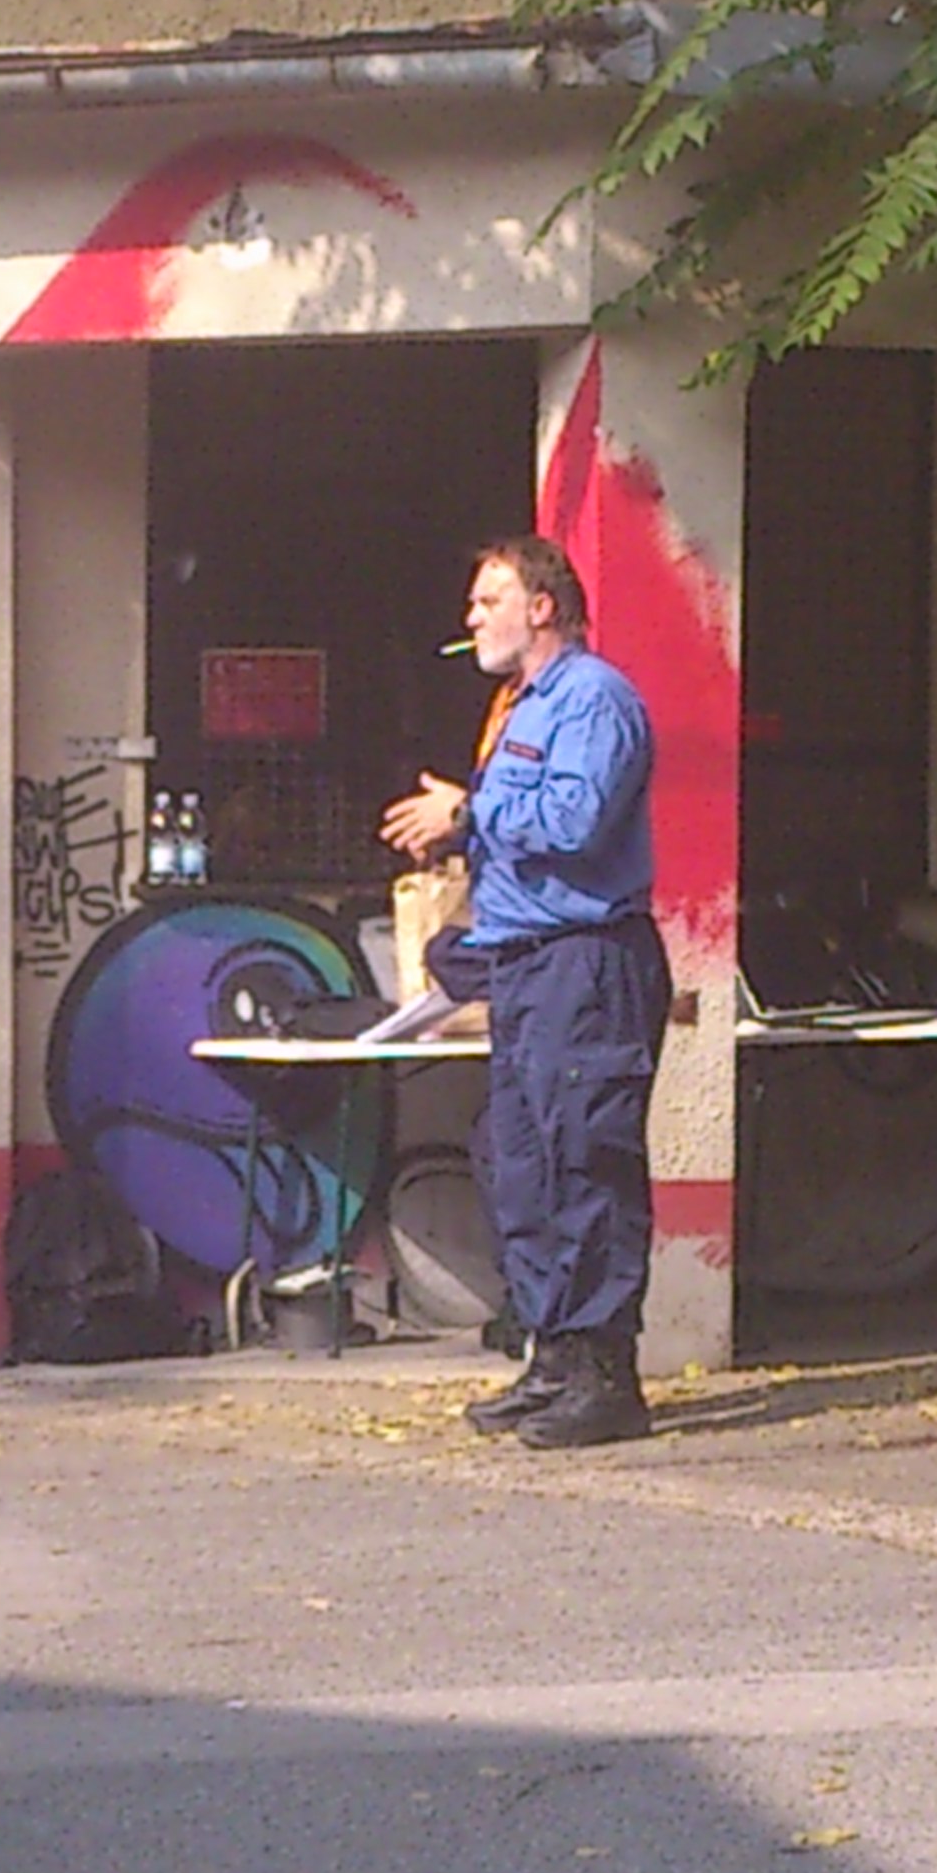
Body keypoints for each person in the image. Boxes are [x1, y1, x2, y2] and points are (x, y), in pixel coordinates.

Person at [381, 536, 665, 1449]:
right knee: (520, 1165)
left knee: (586, 1160)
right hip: (525, 967)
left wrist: (469, 811)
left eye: (487, 600)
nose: (471, 618)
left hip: (587, 964)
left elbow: (579, 822)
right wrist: (461, 835)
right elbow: (523, 831)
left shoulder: (593, 698)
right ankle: (554, 1358)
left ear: (541, 607)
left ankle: (607, 1376)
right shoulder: (520, 706)